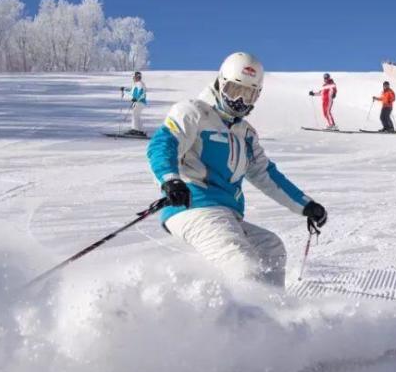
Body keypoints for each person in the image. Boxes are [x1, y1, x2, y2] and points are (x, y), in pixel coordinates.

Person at [146, 52, 327, 288]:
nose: (239, 101)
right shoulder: (194, 112)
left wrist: (305, 205)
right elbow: (163, 144)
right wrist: (170, 180)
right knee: (241, 264)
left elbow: (267, 174)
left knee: (271, 248)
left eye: (249, 95)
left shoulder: (246, 135)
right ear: (221, 82)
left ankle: (271, 310)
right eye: (234, 90)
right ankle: (242, 321)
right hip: (193, 207)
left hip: (226, 214)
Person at [127, 71, 147, 135]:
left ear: (137, 77)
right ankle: (140, 130)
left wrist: (136, 98)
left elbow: (140, 92)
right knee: (137, 115)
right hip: (139, 102)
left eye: (134, 77)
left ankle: (135, 130)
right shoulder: (137, 84)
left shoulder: (139, 83)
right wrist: (124, 90)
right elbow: (131, 93)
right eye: (133, 77)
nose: (133, 79)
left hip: (139, 102)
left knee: (135, 114)